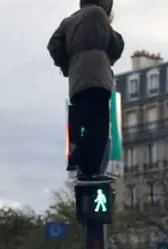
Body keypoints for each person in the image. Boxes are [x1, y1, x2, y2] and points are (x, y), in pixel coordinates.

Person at [48, 0, 124, 182]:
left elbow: (54, 45)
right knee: (98, 126)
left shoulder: (69, 21)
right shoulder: (98, 14)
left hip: (77, 80)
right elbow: (116, 46)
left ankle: (80, 165)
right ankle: (91, 170)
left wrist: (67, 65)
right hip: (98, 77)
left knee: (82, 123)